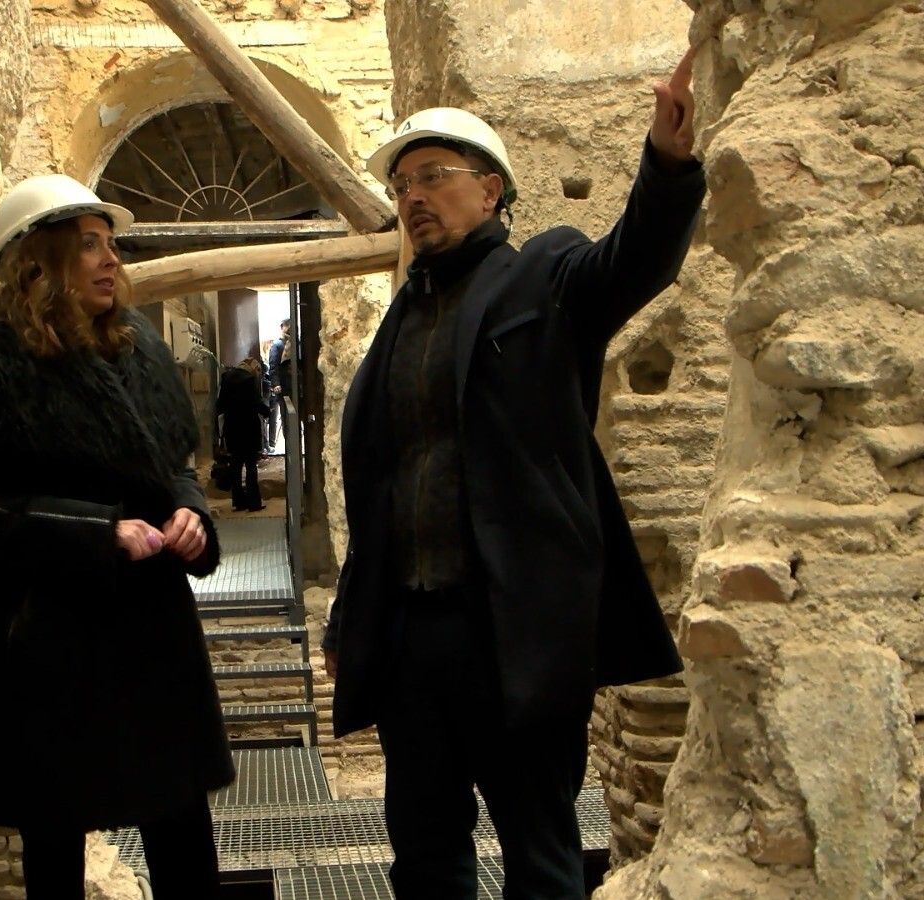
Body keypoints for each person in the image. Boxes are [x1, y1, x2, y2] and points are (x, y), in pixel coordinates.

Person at [321, 49, 705, 899]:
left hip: (513, 627)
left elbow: (633, 260)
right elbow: (385, 485)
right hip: (413, 635)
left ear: (490, 191)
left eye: (433, 176)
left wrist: (669, 164)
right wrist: (352, 619)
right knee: (425, 850)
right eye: (401, 186)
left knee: (539, 848)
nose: (412, 197)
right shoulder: (401, 321)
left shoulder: (546, 274)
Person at [0, 174, 232, 900]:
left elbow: (173, 466)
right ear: (39, 262)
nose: (110, 261)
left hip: (152, 627)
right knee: (56, 844)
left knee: (182, 835)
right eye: (88, 245)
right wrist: (96, 533)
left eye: (111, 245)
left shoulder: (142, 352)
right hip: (50, 636)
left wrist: (191, 513)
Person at [217, 355, 268, 511]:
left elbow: (220, 404)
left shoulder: (226, 377)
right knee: (251, 466)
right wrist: (267, 411)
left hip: (232, 428)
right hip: (249, 428)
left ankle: (238, 501)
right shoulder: (249, 380)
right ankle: (253, 502)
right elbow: (256, 403)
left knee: (236, 465)